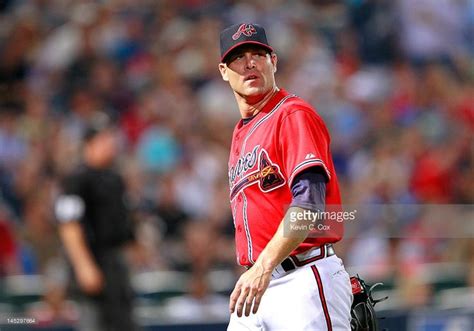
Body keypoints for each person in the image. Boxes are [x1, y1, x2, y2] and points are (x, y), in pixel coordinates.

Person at [218, 23, 353, 330]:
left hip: (303, 278)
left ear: (273, 61)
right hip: (257, 287)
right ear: (224, 71)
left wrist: (263, 267)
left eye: (258, 54)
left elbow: (309, 207)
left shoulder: (291, 114)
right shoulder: (241, 132)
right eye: (239, 57)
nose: (250, 62)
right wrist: (259, 271)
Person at [54, 114, 136, 331]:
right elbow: (68, 224)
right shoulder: (76, 179)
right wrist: (84, 266)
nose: (110, 143)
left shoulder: (113, 178)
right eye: (104, 138)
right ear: (89, 143)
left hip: (114, 264)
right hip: (92, 258)